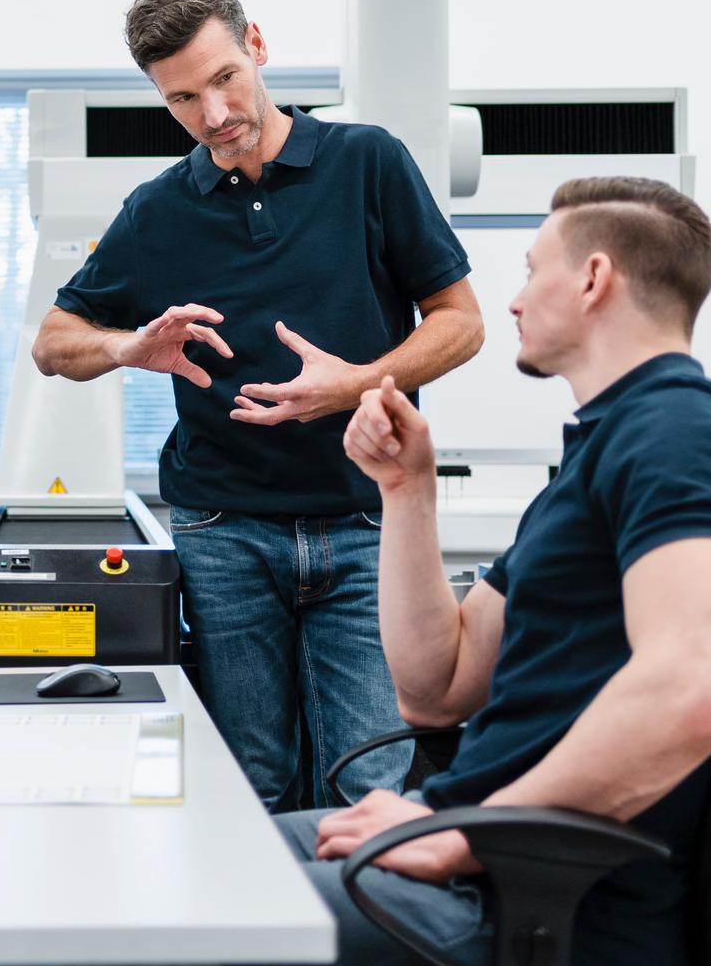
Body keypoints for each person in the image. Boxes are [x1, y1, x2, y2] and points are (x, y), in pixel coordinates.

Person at [31, 0, 483, 809]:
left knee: (370, 787)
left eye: (225, 79)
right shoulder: (156, 210)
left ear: (258, 47)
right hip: (223, 533)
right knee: (248, 788)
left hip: (363, 524)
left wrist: (358, 382)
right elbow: (53, 344)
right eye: (182, 100)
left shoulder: (367, 163)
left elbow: (461, 321)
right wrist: (131, 346)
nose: (212, 116)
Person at [278, 175, 711, 965]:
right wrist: (408, 490)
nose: (512, 302)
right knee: (204, 858)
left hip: (530, 896)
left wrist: (462, 835)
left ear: (592, 279)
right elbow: (434, 688)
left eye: (529, 269)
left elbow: (691, 688)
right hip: (478, 845)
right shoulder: (601, 451)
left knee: (182, 912)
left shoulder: (675, 432)